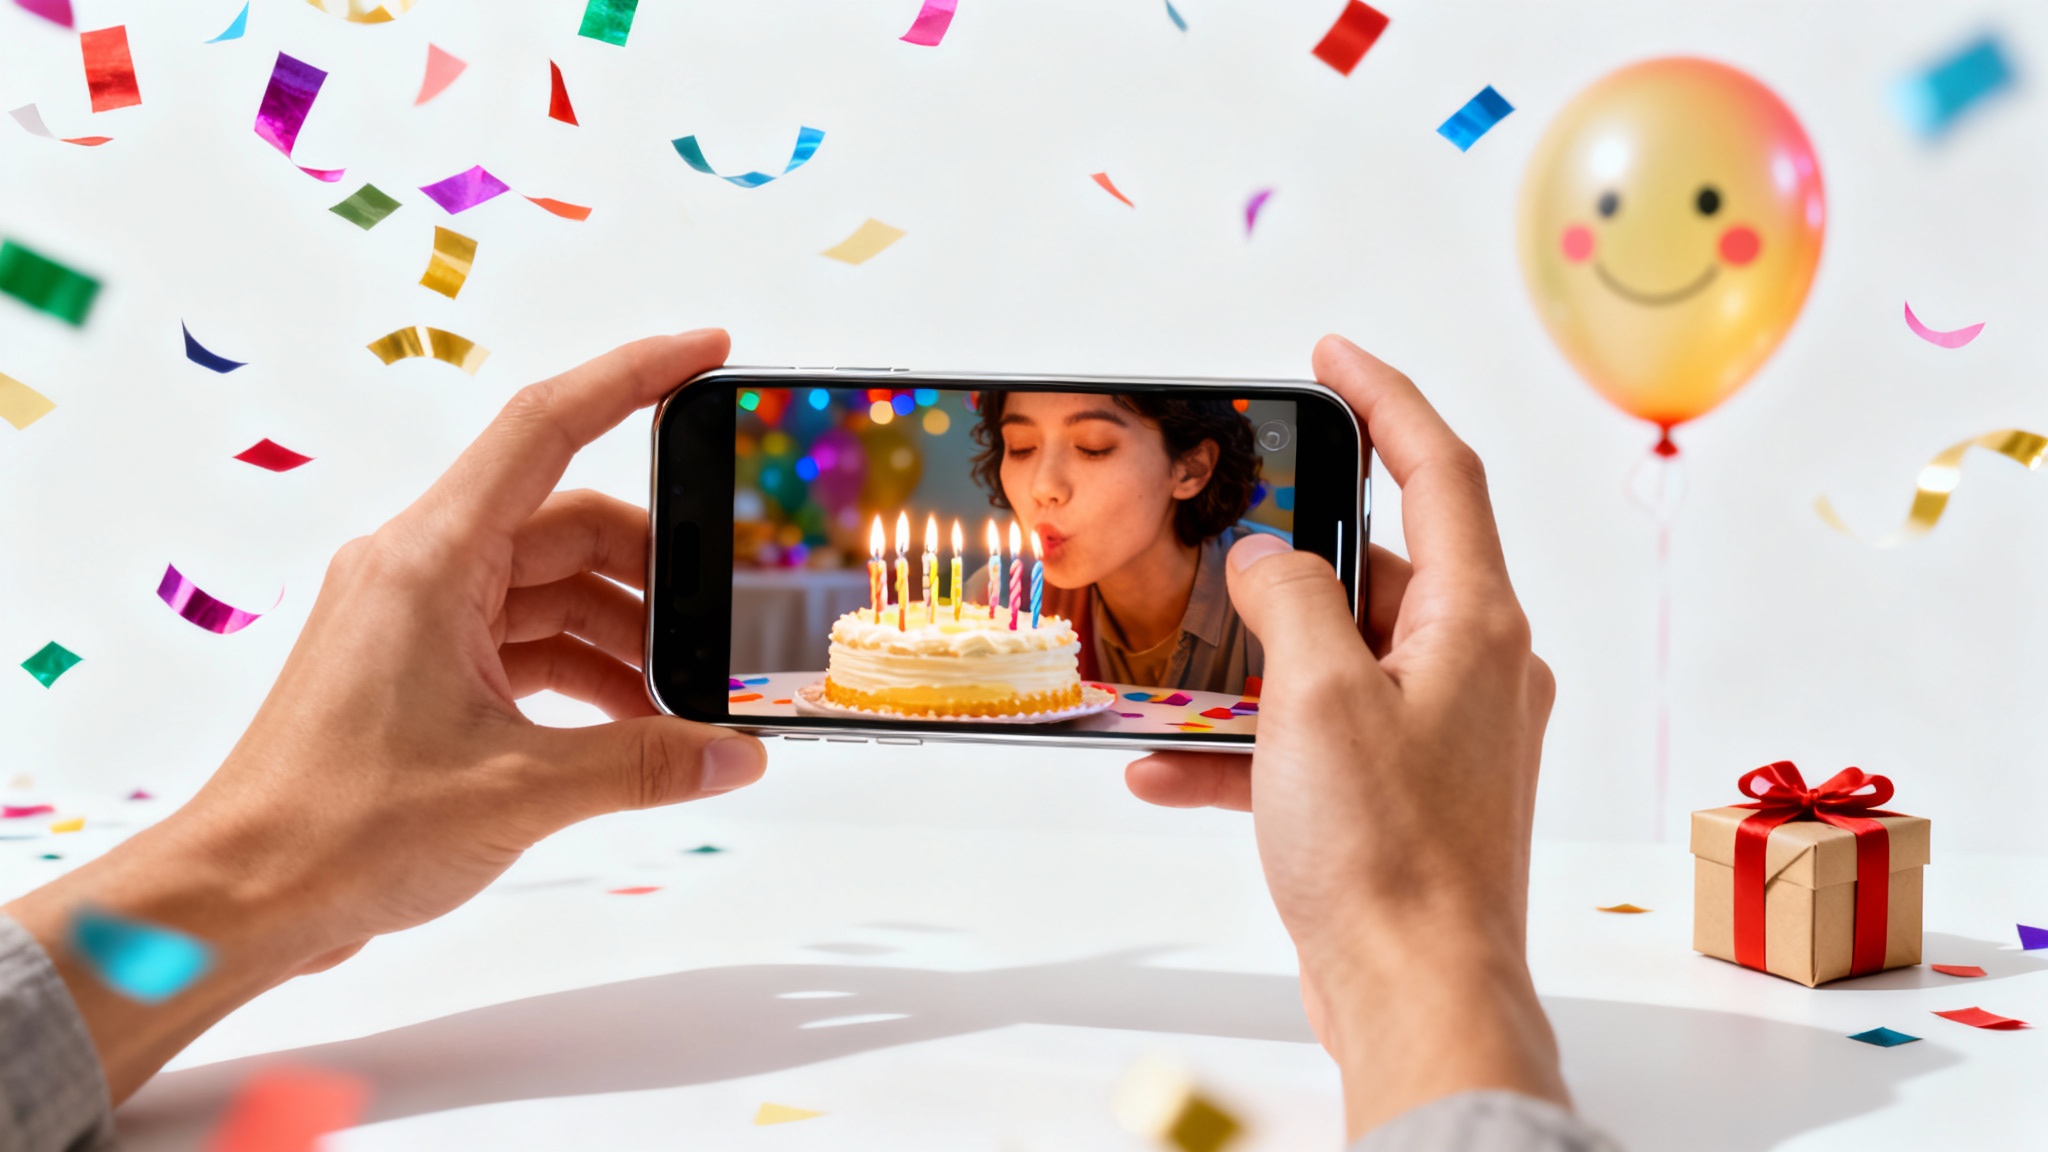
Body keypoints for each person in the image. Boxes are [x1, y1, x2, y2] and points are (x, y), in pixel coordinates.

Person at [0, 332, 1616, 1152]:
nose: (1038, 490)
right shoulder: (1042, 629)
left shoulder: (1243, 646)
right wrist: (1426, 961)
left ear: (1196, 472)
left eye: (1091, 445)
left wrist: (1399, 927)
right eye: (1016, 453)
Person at [969, 390, 1265, 694]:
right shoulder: (999, 603)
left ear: (1191, 467)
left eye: (1092, 447)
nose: (1043, 487)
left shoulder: (1276, 605)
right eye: (1021, 448)